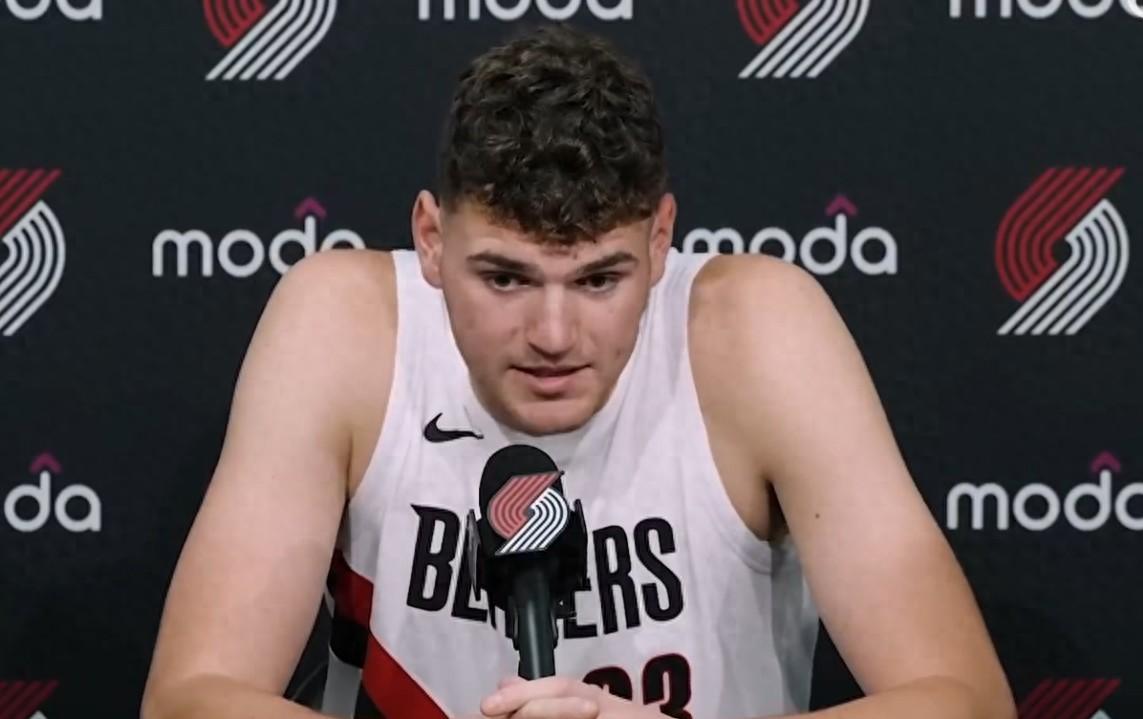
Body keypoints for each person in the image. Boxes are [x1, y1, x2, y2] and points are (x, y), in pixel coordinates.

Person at [140, 24, 1016, 719]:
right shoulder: (345, 324)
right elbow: (189, 698)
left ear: (660, 240)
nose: (553, 334)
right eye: (505, 278)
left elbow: (965, 699)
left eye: (599, 279)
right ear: (431, 239)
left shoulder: (756, 332)